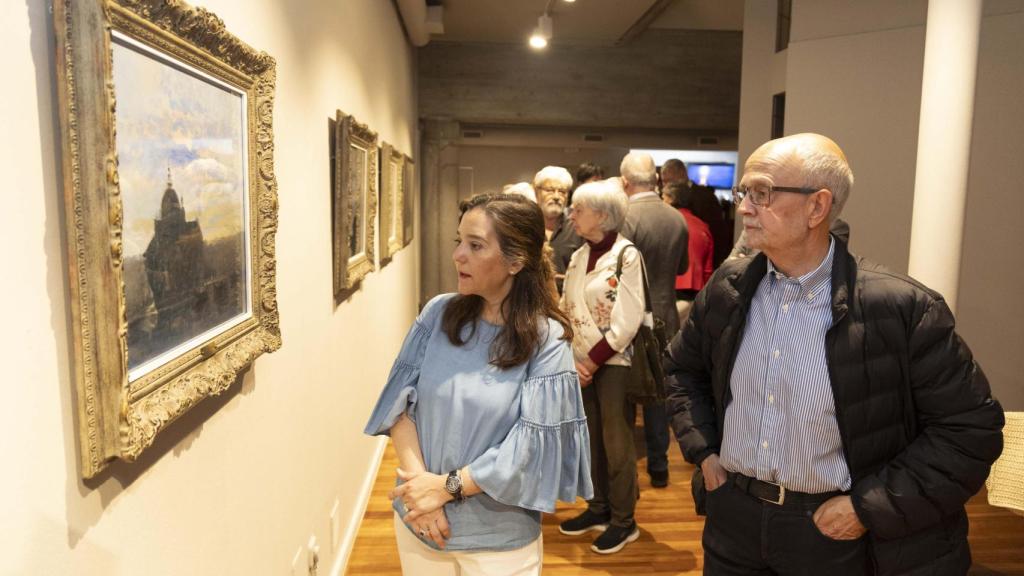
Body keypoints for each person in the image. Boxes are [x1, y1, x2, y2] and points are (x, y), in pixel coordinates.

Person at [665, 133, 1005, 575]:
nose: (744, 206)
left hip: (832, 534)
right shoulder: (729, 289)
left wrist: (867, 508)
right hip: (733, 521)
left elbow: (969, 430)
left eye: (762, 193)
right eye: (743, 192)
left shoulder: (901, 309)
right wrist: (705, 451)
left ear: (817, 207)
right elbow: (681, 369)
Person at [364, 193, 593, 575]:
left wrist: (443, 489)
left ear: (516, 261)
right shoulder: (437, 314)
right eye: (459, 241)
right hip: (420, 520)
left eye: (475, 245)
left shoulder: (546, 340)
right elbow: (400, 406)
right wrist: (423, 489)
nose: (458, 255)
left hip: (497, 540)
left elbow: (529, 448)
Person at [558, 180, 645, 554]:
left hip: (613, 363)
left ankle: (624, 521)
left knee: (617, 443)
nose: (571, 215)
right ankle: (598, 507)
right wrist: (571, 358)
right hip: (581, 363)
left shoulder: (628, 256)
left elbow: (628, 319)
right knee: (589, 440)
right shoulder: (579, 256)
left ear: (603, 216)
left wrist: (590, 362)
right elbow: (566, 306)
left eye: (579, 209)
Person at [620, 153, 689, 489]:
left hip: (630, 318)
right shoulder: (676, 218)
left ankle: (625, 471)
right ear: (657, 179)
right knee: (658, 392)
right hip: (666, 315)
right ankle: (659, 465)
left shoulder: (625, 216)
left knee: (624, 393)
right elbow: (680, 268)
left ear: (624, 181)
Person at [663, 181, 714, 328]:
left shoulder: (667, 221)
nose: (661, 201)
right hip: (695, 291)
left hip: (669, 288)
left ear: (671, 199)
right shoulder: (703, 226)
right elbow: (708, 269)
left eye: (663, 197)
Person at [534, 166, 582, 293]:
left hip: (567, 301)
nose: (556, 196)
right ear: (537, 192)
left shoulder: (577, 225)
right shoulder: (526, 224)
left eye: (562, 191)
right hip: (531, 301)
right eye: (549, 190)